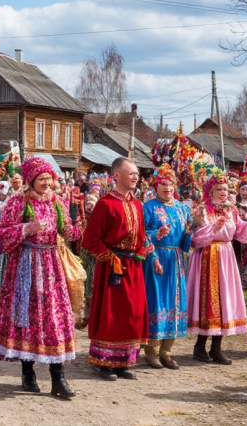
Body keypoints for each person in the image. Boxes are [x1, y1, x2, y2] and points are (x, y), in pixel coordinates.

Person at [0, 157, 80, 399]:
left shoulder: (57, 201)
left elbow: (67, 230)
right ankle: (27, 373)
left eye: (49, 178)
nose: (47, 183)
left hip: (51, 266)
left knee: (54, 317)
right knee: (26, 316)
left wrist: (77, 224)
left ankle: (58, 378)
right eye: (42, 179)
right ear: (30, 180)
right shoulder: (18, 201)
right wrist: (26, 229)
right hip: (25, 265)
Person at [82, 157, 155, 381]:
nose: (136, 177)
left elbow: (140, 236)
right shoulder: (105, 204)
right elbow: (90, 240)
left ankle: (124, 361)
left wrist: (143, 249)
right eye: (131, 173)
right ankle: (104, 362)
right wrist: (110, 258)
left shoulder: (137, 204)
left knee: (132, 313)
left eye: (137, 174)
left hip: (133, 266)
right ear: (116, 176)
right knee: (111, 314)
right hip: (112, 268)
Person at [187, 172, 247, 364]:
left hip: (226, 257)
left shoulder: (231, 210)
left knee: (223, 299)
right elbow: (193, 238)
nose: (223, 192)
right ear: (210, 191)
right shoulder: (202, 210)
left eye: (226, 189)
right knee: (207, 300)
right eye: (219, 189)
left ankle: (216, 348)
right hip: (207, 256)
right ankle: (200, 346)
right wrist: (212, 229)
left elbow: (243, 232)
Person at [141, 164, 192, 369]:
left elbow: (185, 244)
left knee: (174, 303)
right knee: (157, 302)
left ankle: (167, 352)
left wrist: (188, 233)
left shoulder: (182, 208)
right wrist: (155, 243)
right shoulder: (148, 207)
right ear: (156, 186)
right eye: (163, 183)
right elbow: (142, 234)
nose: (167, 187)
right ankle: (151, 352)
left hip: (175, 260)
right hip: (156, 258)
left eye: (170, 184)